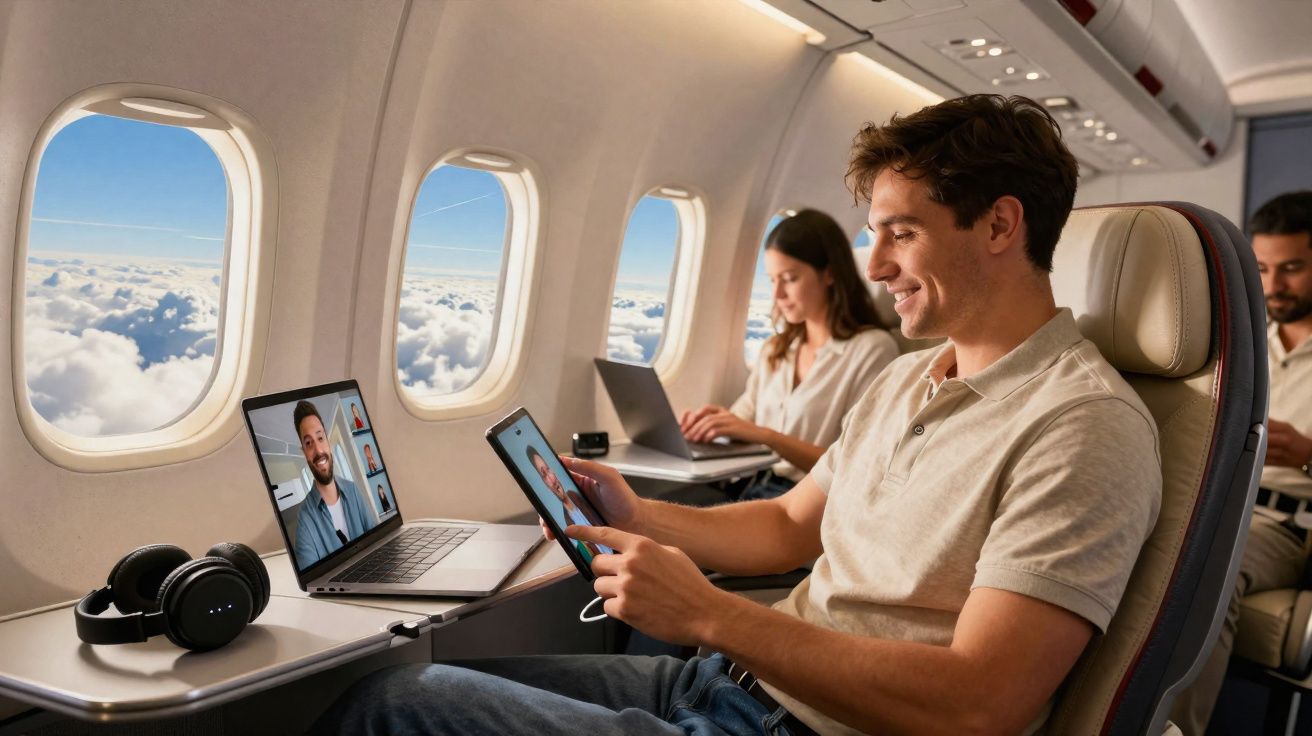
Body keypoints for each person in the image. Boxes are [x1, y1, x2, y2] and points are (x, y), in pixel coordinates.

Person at [311, 94, 1160, 736]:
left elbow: (983, 701)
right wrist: (639, 516)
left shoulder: (1083, 427)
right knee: (399, 683)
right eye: (874, 234)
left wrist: (711, 613)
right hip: (727, 684)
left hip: (797, 725)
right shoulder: (910, 380)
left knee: (395, 704)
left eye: (901, 233)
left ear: (1001, 225)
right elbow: (791, 524)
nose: (875, 263)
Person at [1170, 191, 1312, 735]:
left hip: (1286, 526)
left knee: (1207, 568)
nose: (1273, 286)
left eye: (1293, 269)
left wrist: (1308, 457)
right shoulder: (1246, 344)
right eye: (1262, 269)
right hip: (1221, 501)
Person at [680, 209, 898, 500]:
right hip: (753, 484)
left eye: (790, 278)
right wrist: (715, 424)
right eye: (772, 280)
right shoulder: (776, 350)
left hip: (809, 501)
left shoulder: (872, 350)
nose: (777, 295)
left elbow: (850, 463)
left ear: (830, 273)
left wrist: (768, 437)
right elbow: (745, 418)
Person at [292, 401, 373, 569]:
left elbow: (377, 540)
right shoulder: (305, 519)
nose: (318, 450)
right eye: (309, 443)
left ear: (328, 442)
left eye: (320, 438)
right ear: (304, 453)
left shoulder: (353, 490)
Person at [527, 445, 603, 559]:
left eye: (548, 469)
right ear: (544, 483)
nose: (552, 479)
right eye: (544, 475)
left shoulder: (579, 496)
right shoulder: (567, 528)